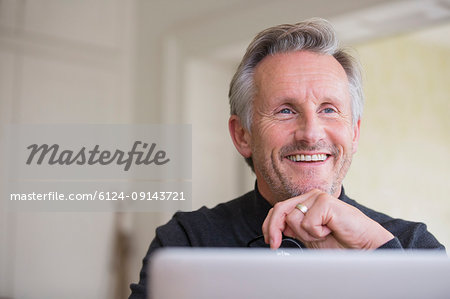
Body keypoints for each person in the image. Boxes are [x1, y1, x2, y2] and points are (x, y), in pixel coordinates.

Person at [128, 18, 444, 298]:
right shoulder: (188, 242)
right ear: (242, 135)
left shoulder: (411, 245)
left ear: (355, 133)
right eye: (285, 111)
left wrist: (377, 252)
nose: (310, 133)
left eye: (329, 110)